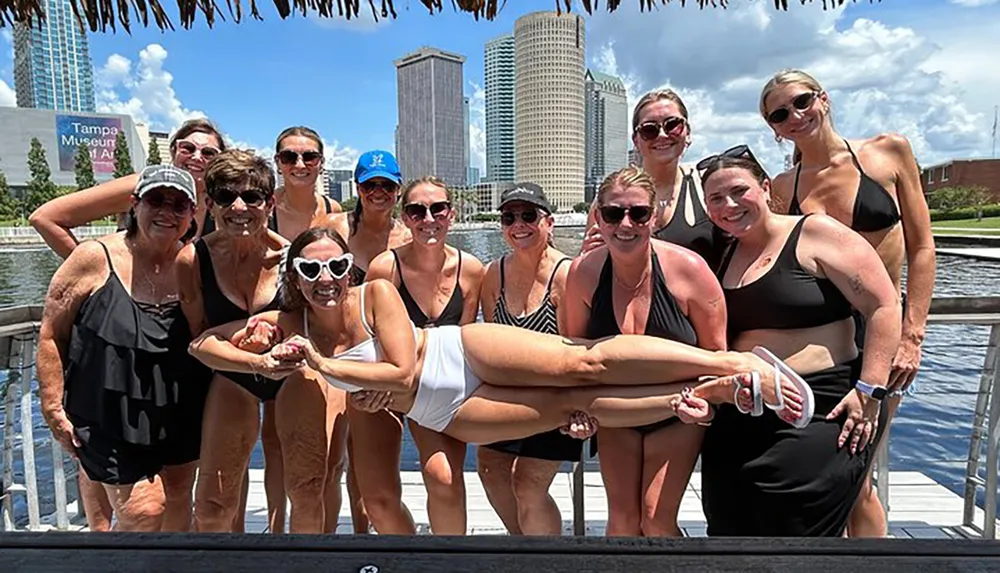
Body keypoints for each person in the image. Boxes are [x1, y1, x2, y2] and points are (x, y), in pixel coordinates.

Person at [188, 226, 815, 461]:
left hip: (459, 352)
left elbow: (403, 369)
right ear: (294, 279)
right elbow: (201, 347)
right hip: (446, 412)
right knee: (577, 410)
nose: (325, 280)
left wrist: (324, 367)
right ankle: (718, 391)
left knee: (583, 363)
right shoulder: (290, 327)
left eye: (333, 267)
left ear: (348, 270)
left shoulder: (373, 292)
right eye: (310, 270)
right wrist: (259, 358)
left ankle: (727, 359)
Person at [759, 69, 935, 537]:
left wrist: (912, 334)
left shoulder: (888, 152)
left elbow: (922, 247)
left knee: (859, 471)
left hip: (881, 333)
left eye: (800, 102)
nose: (794, 116)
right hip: (825, 342)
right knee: (836, 474)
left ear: (823, 98)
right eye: (780, 114)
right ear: (774, 129)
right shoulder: (783, 186)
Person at [689, 148, 900, 536]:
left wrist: (869, 389)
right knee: (728, 519)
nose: (729, 205)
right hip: (745, 407)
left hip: (825, 403)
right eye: (716, 198)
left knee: (795, 523)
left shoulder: (815, 232)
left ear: (766, 188)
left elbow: (884, 305)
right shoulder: (724, 254)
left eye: (739, 190)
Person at [29, 118, 227, 531]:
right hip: (108, 407)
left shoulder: (194, 262)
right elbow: (51, 334)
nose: (166, 212)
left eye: (178, 206)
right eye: (156, 202)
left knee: (177, 498)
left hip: (178, 402)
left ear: (193, 213)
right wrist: (52, 406)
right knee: (143, 512)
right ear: (134, 203)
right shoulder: (92, 258)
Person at [176, 149, 346, 534]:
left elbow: (321, 321)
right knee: (213, 504)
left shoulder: (292, 258)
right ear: (210, 203)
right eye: (226, 197)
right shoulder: (192, 259)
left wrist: (275, 337)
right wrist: (251, 355)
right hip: (234, 375)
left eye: (252, 197)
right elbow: (198, 333)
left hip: (294, 373)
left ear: (269, 203)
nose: (239, 207)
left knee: (306, 489)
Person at [563, 166, 727, 537]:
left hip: (677, 409)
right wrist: (576, 411)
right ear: (598, 219)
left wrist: (707, 406)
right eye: (613, 213)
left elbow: (718, 357)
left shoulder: (690, 270)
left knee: (655, 519)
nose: (626, 224)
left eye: (638, 213)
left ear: (653, 217)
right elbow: (572, 357)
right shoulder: (583, 273)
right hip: (616, 409)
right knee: (621, 522)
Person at [360, 176, 485, 534]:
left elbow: (469, 343)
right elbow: (368, 333)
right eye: (417, 210)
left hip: (443, 385)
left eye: (438, 209)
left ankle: (450, 560)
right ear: (405, 216)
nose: (428, 218)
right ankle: (410, 550)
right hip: (392, 386)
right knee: (378, 499)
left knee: (443, 478)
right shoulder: (386, 268)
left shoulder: (471, 270)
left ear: (451, 214)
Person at [476, 182, 589, 536]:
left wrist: (579, 408)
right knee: (491, 470)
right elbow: (492, 343)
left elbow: (579, 351)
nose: (518, 225)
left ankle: (546, 559)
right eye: (509, 217)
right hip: (508, 397)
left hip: (556, 399)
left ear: (549, 222)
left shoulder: (567, 274)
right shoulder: (495, 273)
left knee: (527, 483)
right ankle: (522, 543)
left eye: (529, 215)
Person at [311, 149, 411, 534]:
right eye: (371, 185)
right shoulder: (333, 228)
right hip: (335, 350)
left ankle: (367, 538)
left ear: (398, 189)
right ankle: (335, 542)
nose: (379, 192)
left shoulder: (407, 235)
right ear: (358, 187)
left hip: (383, 356)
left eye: (387, 185)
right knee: (332, 458)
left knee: (373, 463)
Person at [259, 126, 344, 533]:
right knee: (274, 447)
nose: (299, 164)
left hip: (322, 342)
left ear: (321, 162)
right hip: (270, 335)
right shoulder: (259, 210)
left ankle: (331, 544)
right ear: (277, 162)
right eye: (289, 157)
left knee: (329, 454)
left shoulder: (335, 213)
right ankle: (277, 539)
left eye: (308, 156)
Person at [30, 118, 227, 259]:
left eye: (209, 153)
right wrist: (100, 274)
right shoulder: (143, 186)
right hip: (135, 302)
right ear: (174, 151)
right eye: (188, 148)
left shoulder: (220, 202)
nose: (197, 157)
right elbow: (45, 217)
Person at [581, 89, 727, 270]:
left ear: (687, 131)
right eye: (649, 129)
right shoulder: (611, 197)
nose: (662, 135)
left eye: (673, 125)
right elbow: (589, 266)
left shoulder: (705, 185)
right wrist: (589, 253)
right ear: (636, 140)